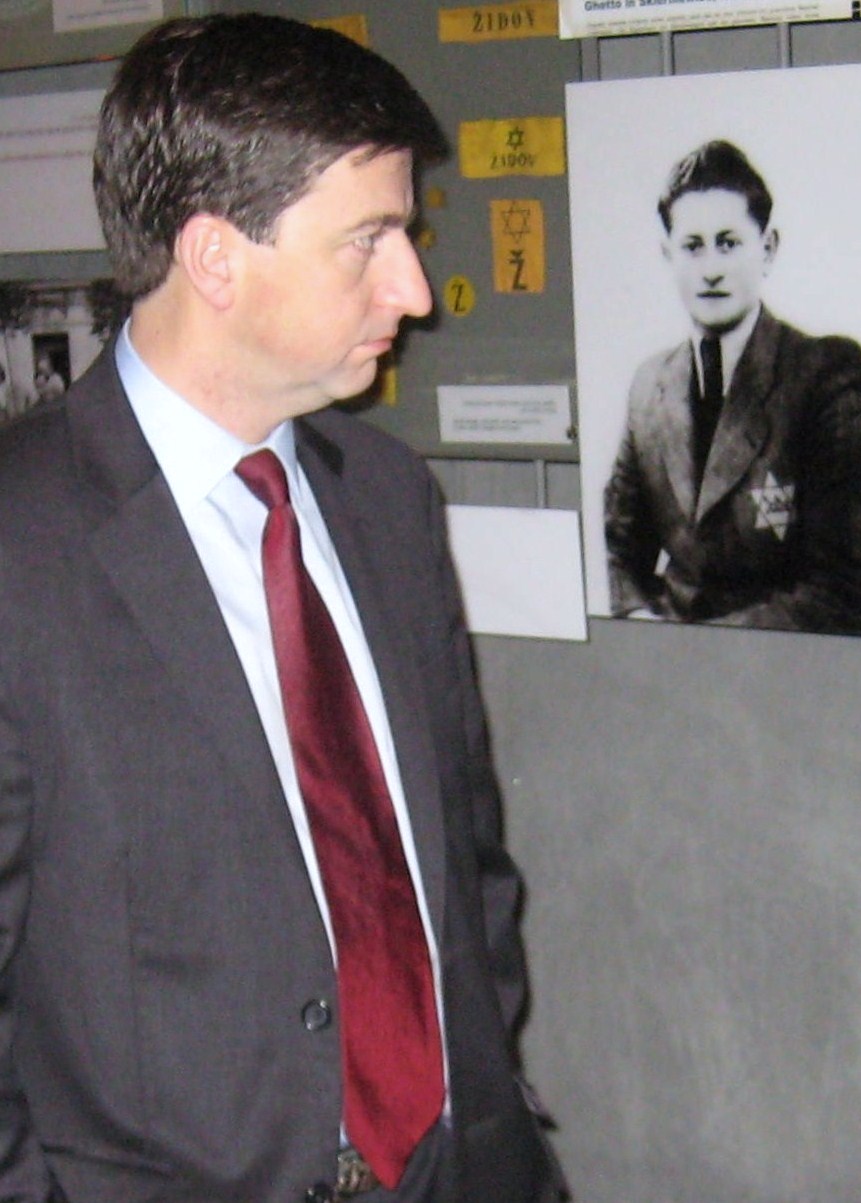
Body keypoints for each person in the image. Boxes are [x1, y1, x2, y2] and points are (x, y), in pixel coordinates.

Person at [0, 15, 566, 1203]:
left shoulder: (388, 501)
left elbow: (464, 865)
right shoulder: (21, 542)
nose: (412, 286)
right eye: (368, 240)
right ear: (216, 259)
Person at [603, 139, 861, 636]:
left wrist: (699, 649)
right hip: (666, 663)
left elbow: (843, 591)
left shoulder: (824, 374)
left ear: (768, 248)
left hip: (780, 669)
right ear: (667, 255)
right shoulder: (649, 386)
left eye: (729, 243)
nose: (711, 268)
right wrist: (643, 624)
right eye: (693, 246)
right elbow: (619, 553)